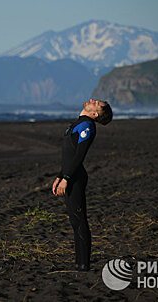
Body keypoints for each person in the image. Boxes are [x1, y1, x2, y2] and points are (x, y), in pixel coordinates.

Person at [52, 98, 113, 271]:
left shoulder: (87, 126)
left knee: (79, 221)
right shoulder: (78, 123)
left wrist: (66, 178)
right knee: (74, 221)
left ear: (95, 114)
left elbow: (79, 156)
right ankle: (79, 262)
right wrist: (59, 176)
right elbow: (68, 156)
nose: (92, 100)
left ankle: (83, 264)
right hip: (70, 175)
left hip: (75, 178)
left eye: (97, 104)